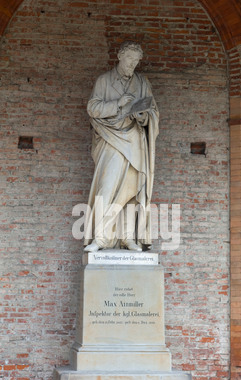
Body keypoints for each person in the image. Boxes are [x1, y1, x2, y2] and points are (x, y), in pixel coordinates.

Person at [84, 41, 159, 252]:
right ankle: (100, 238)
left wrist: (143, 116)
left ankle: (127, 237)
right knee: (107, 187)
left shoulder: (142, 82)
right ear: (120, 56)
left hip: (134, 139)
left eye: (136, 61)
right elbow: (92, 108)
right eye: (129, 59)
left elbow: (152, 110)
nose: (132, 65)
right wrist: (117, 103)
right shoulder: (104, 81)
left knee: (132, 190)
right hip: (110, 139)